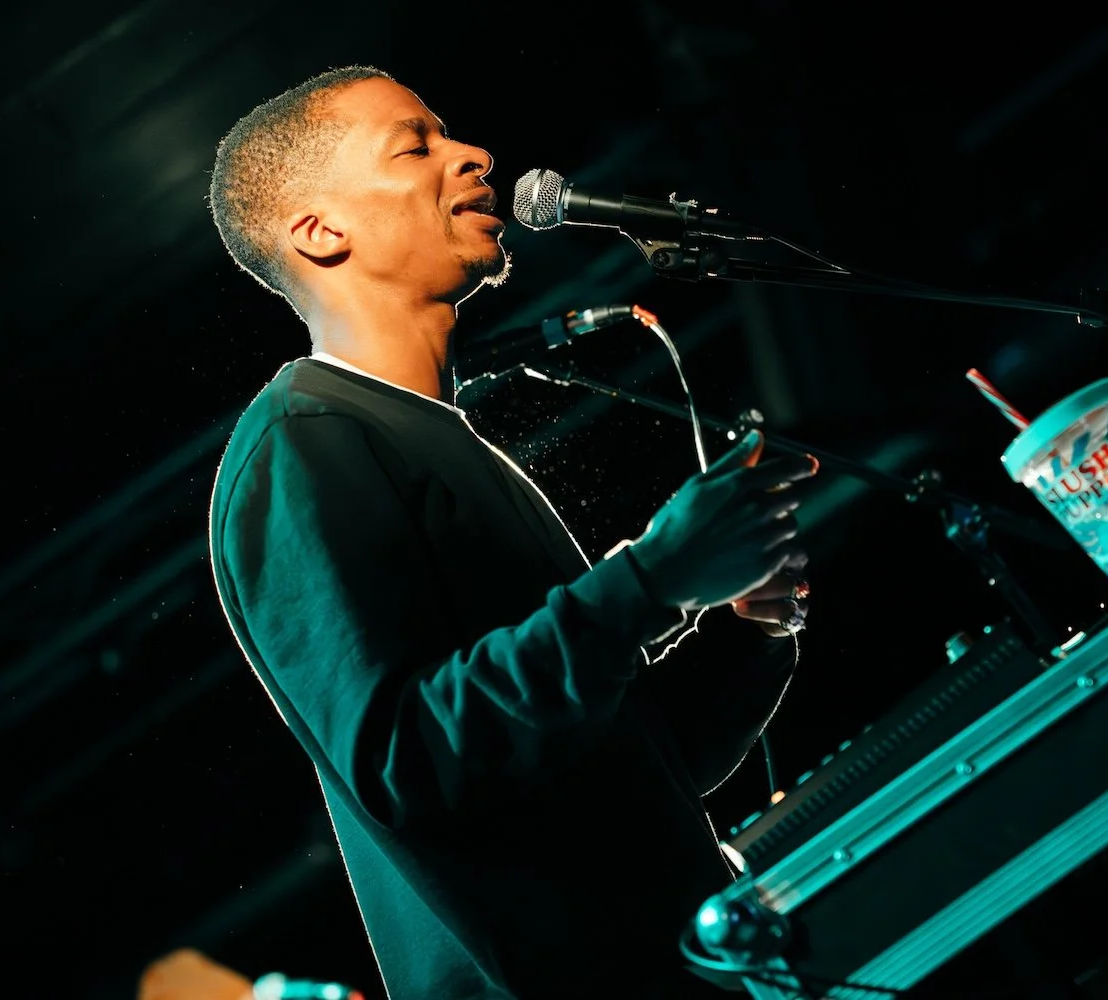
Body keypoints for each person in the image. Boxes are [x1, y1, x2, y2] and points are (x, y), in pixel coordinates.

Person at [205, 64, 818, 999]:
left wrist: (746, 628)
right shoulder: (302, 443)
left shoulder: (444, 438)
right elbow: (408, 762)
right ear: (321, 231)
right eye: (415, 146)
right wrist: (650, 580)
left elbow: (627, 769)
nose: (476, 155)